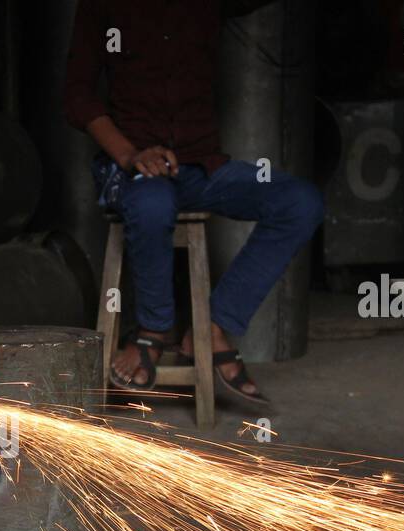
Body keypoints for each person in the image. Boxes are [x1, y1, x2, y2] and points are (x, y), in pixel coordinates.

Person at [64, 0, 325, 403]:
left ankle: (212, 327)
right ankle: (153, 332)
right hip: (133, 168)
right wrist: (131, 154)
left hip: (203, 167)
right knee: (153, 205)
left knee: (299, 201)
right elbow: (76, 95)